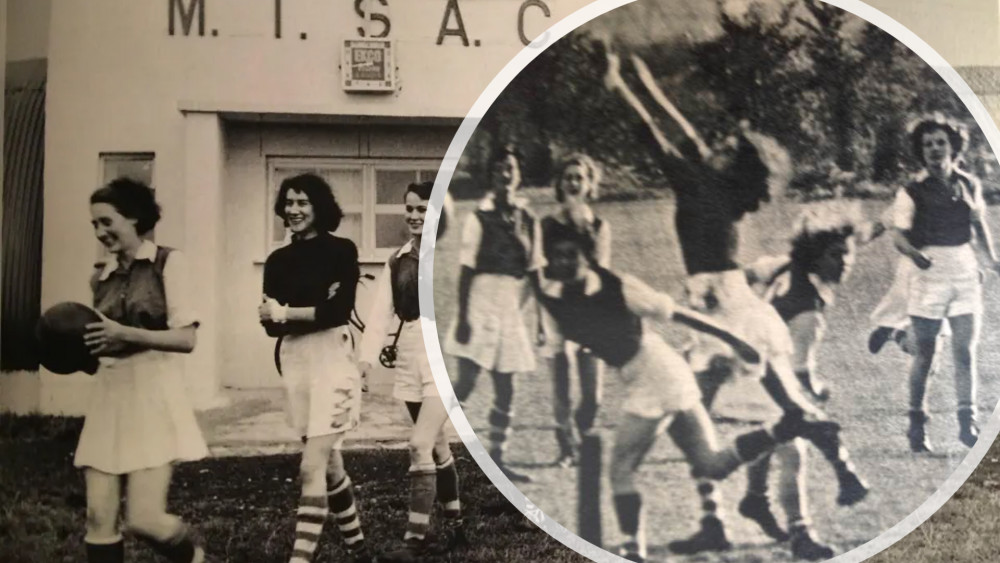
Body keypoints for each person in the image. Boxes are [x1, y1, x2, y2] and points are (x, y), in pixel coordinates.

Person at [604, 45, 868, 553]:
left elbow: (656, 137)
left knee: (755, 417)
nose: (714, 143)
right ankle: (812, 494)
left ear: (730, 162)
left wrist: (621, 86)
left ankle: (795, 517)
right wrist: (645, 78)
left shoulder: (699, 184)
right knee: (751, 415)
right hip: (734, 305)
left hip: (725, 313)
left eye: (724, 143)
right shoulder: (716, 184)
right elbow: (684, 133)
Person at [535, 222, 842, 563]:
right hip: (653, 374)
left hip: (657, 374)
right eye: (556, 256)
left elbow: (678, 314)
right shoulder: (552, 298)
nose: (563, 262)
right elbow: (562, 351)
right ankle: (785, 428)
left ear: (588, 257)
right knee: (711, 464)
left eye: (571, 255)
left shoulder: (617, 285)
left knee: (620, 467)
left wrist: (734, 339)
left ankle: (631, 551)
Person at [685, 204, 872, 560]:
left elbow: (741, 275)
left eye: (849, 255)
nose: (846, 262)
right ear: (816, 255)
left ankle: (757, 499)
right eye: (837, 255)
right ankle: (802, 532)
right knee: (794, 449)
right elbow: (800, 374)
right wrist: (817, 390)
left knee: (773, 438)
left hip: (743, 361)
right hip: (765, 375)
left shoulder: (780, 265)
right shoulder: (809, 314)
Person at [77, 178, 206, 563]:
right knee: (98, 517)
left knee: (144, 519)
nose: (101, 233)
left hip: (153, 393)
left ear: (133, 218)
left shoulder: (169, 262)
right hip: (109, 395)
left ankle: (195, 558)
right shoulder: (100, 275)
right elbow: (100, 344)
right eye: (94, 226)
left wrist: (125, 333)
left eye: (107, 222)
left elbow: (186, 340)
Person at [259, 173, 372, 563]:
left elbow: (336, 313)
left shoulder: (340, 250)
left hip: (332, 361)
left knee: (311, 465)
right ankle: (358, 548)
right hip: (294, 362)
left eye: (302, 202)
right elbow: (269, 324)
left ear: (319, 207)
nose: (293, 210)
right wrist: (307, 311)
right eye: (288, 202)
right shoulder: (277, 260)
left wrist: (289, 310)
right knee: (328, 464)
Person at [358, 181, 465, 561]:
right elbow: (379, 314)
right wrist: (366, 362)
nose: (416, 216)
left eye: (424, 209)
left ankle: (413, 541)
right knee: (435, 444)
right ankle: (455, 525)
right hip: (408, 353)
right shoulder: (397, 259)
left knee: (419, 443)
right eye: (411, 209)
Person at [888, 115, 1000, 452]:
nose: (935, 149)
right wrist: (914, 255)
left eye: (940, 142)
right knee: (926, 352)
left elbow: (978, 226)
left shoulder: (969, 183)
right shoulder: (911, 190)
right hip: (928, 272)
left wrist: (992, 260)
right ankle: (917, 426)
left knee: (965, 351)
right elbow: (897, 235)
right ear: (920, 152)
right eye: (928, 144)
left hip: (964, 270)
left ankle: (968, 424)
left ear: (953, 147)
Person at [445, 144, 545, 483]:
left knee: (507, 386)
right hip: (481, 300)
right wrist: (463, 317)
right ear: (491, 175)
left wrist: (541, 322)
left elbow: (535, 271)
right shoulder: (479, 216)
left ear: (519, 176)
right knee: (468, 379)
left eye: (512, 169)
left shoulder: (528, 218)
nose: (506, 175)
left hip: (510, 303)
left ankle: (497, 460)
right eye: (500, 168)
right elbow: (466, 270)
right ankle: (431, 443)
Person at [539, 153, 612, 467]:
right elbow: (539, 273)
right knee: (562, 385)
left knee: (593, 395)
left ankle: (581, 439)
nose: (572, 183)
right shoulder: (547, 225)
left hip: (591, 311)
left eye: (579, 178)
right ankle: (567, 449)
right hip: (556, 308)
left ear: (589, 184)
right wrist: (540, 319)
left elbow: (603, 273)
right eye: (567, 177)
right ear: (560, 183)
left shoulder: (599, 226)